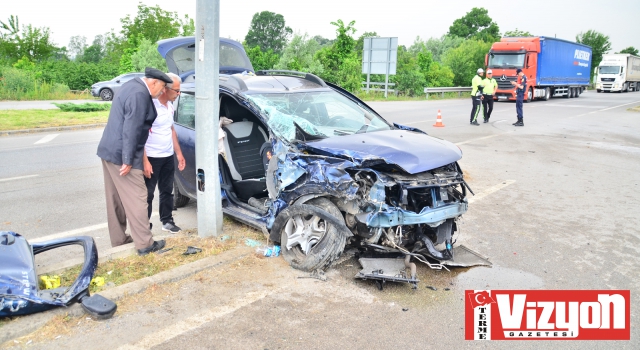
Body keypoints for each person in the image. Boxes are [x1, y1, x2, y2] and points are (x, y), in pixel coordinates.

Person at [97, 67, 172, 256]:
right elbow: (131, 128)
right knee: (138, 198)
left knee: (115, 199)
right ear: (153, 82)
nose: (163, 91)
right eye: (162, 87)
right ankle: (145, 244)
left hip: (110, 152)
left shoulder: (130, 86)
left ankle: (119, 240)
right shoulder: (140, 94)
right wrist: (128, 160)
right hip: (123, 155)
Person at [144, 73, 186, 233]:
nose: (179, 94)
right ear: (164, 90)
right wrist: (145, 160)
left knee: (167, 191)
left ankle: (167, 221)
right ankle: (144, 227)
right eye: (176, 91)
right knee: (147, 195)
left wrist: (179, 153)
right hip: (151, 157)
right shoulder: (151, 106)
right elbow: (140, 134)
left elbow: (171, 129)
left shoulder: (170, 106)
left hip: (167, 155)